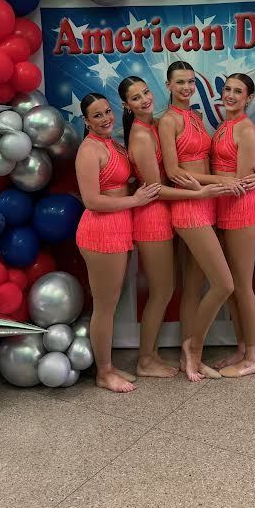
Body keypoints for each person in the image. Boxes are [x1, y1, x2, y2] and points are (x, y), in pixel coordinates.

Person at [118, 75, 225, 379]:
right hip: (152, 216)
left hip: (169, 211)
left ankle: (178, 354)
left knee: (175, 287)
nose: (144, 100)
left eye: (145, 92)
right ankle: (145, 359)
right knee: (162, 290)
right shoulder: (141, 135)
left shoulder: (158, 125)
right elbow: (156, 189)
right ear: (127, 105)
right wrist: (199, 192)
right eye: (135, 98)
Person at [159, 60, 242, 381]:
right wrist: (217, 184)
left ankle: (187, 355)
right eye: (180, 82)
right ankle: (193, 349)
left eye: (191, 82)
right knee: (224, 283)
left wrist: (215, 186)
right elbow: (173, 171)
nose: (186, 88)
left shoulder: (193, 116)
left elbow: (201, 161)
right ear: (168, 86)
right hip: (190, 206)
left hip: (206, 204)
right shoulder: (167, 121)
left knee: (194, 286)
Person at [75, 93, 160, 393]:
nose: (105, 119)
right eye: (97, 115)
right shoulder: (88, 150)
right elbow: (92, 200)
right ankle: (104, 372)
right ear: (86, 120)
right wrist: (134, 199)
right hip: (100, 232)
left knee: (110, 303)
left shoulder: (113, 145)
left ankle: (108, 366)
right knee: (105, 307)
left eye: (107, 112)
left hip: (118, 229)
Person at [210, 73, 255, 377]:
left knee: (242, 285)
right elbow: (225, 177)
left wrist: (202, 181)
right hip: (224, 209)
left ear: (248, 98)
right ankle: (242, 348)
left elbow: (240, 183)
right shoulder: (224, 127)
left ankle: (253, 357)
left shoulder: (245, 130)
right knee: (231, 287)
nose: (230, 95)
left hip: (242, 209)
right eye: (227, 89)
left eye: (237, 91)